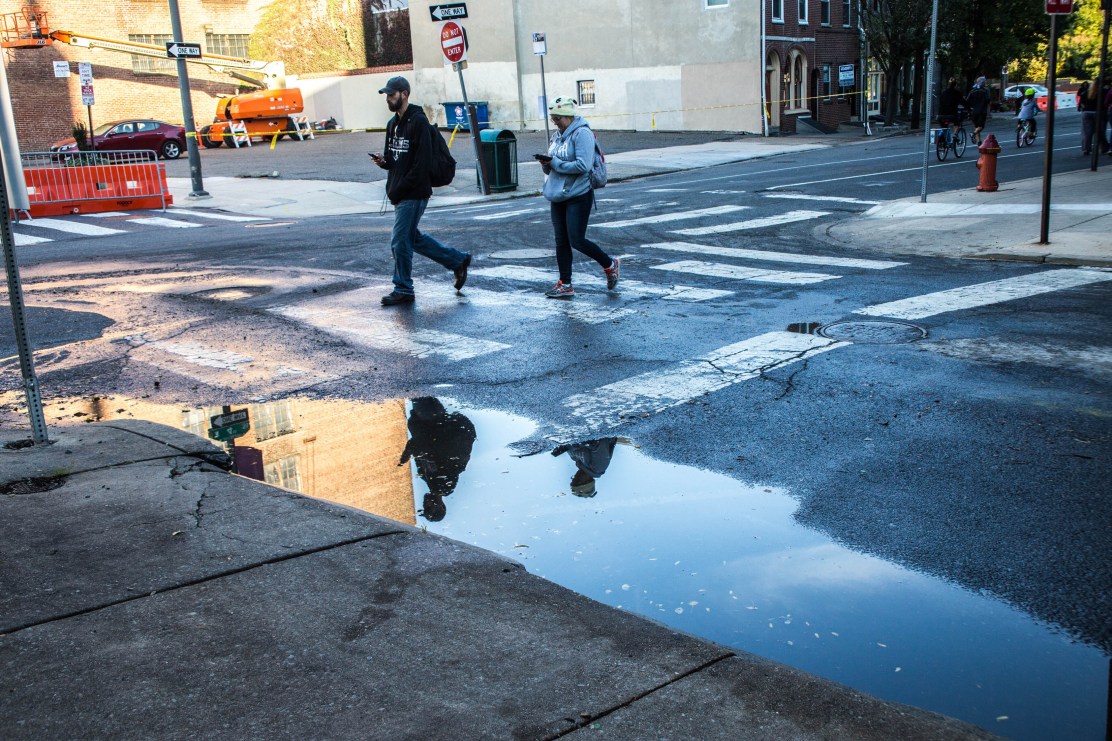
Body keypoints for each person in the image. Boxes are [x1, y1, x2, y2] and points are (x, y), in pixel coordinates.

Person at [370, 76, 472, 306]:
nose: (388, 98)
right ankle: (457, 261)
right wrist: (384, 162)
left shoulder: (418, 122)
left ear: (405, 94)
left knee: (399, 242)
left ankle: (403, 288)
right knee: (412, 238)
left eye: (392, 94)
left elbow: (422, 164)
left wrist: (400, 187)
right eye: (387, 95)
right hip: (399, 191)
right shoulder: (392, 124)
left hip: (414, 192)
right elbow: (394, 160)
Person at [537, 96, 619, 299]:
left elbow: (584, 165)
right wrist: (547, 165)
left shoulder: (582, 133)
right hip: (557, 193)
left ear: (568, 116)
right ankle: (565, 284)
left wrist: (555, 163)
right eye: (553, 118)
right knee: (561, 241)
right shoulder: (557, 136)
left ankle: (609, 264)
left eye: (558, 118)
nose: (555, 122)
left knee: (577, 240)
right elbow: (554, 164)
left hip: (578, 194)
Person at [398, 397, 476, 522]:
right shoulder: (445, 485)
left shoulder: (427, 478)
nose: (425, 504)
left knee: (417, 393)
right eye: (428, 508)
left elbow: (419, 447)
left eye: (424, 508)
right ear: (440, 506)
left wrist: (406, 455)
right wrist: (408, 453)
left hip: (427, 422)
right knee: (419, 393)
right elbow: (431, 449)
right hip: (432, 421)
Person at [551, 437, 622, 497]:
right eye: (577, 480)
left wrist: (561, 449)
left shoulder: (577, 460)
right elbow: (601, 442)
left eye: (573, 479)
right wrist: (577, 443)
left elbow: (568, 444)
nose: (575, 477)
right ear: (588, 481)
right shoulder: (598, 468)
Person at [937, 78, 967, 146]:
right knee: (957, 123)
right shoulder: (957, 93)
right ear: (955, 85)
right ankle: (955, 135)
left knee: (944, 126)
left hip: (941, 114)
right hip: (951, 114)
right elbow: (963, 102)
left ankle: (944, 140)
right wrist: (969, 108)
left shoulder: (943, 92)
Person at [966, 77, 991, 145]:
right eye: (984, 82)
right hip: (982, 111)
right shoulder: (985, 91)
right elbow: (988, 100)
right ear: (982, 83)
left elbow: (967, 101)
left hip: (974, 111)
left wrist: (969, 109)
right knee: (981, 126)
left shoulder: (972, 91)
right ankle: (973, 134)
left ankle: (979, 141)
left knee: (977, 126)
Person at [1079, 78, 1099, 156]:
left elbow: (1082, 103)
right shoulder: (1100, 92)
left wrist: (1084, 108)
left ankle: (1086, 149)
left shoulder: (1086, 92)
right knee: (1099, 131)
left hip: (1086, 112)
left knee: (1087, 132)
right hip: (1096, 112)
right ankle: (1104, 146)